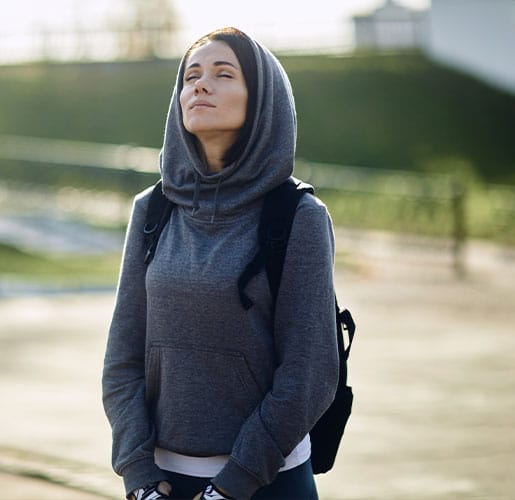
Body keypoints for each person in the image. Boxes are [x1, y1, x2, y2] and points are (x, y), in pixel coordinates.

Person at [102, 27, 339, 500]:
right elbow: (122, 358)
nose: (200, 85)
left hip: (266, 483)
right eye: (191, 76)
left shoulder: (298, 217)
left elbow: (310, 373)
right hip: (161, 484)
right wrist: (137, 474)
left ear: (262, 99)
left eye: (222, 73)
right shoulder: (152, 210)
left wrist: (234, 484)